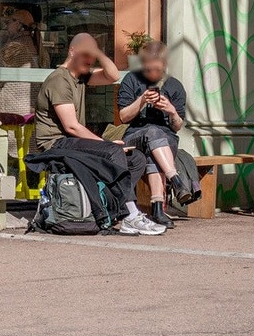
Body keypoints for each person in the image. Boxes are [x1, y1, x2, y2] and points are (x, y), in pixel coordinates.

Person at [29, 33, 164, 236]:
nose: (89, 61)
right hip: (55, 143)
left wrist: (98, 51)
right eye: (85, 55)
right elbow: (71, 127)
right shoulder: (59, 80)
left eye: (91, 56)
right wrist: (106, 143)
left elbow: (113, 75)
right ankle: (130, 215)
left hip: (73, 142)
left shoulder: (80, 77)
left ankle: (111, 207)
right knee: (112, 152)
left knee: (136, 159)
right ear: (71, 52)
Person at [115, 40, 196, 228]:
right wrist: (141, 100)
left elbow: (177, 126)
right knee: (152, 132)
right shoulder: (131, 80)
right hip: (135, 135)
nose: (152, 73)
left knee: (155, 144)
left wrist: (171, 111)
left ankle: (158, 210)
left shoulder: (175, 86)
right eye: (148, 69)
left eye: (157, 69)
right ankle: (175, 180)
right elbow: (123, 117)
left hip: (165, 141)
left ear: (165, 65)